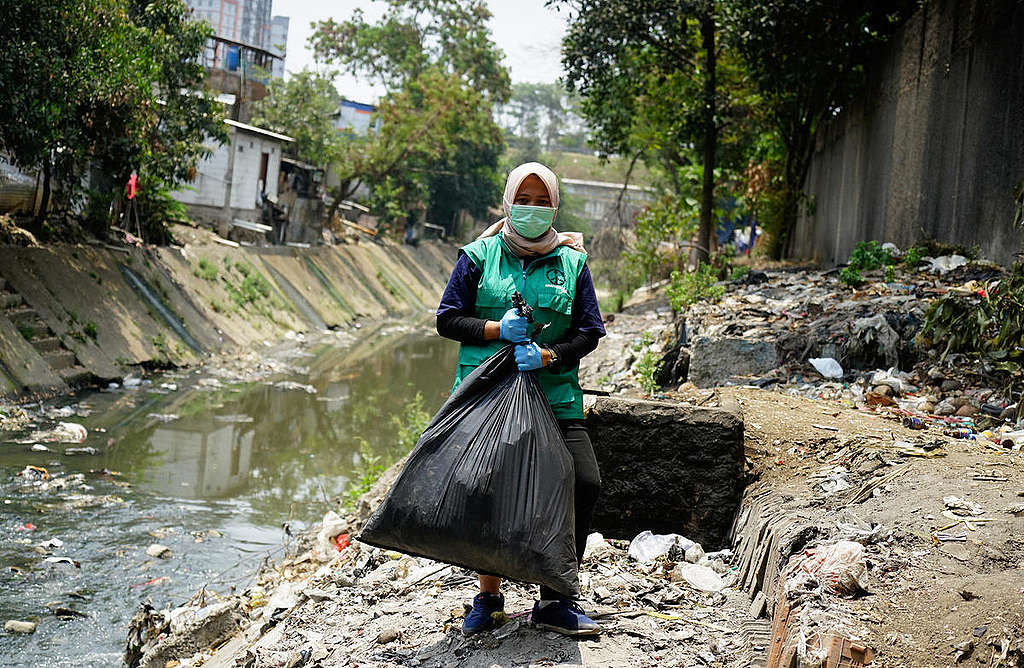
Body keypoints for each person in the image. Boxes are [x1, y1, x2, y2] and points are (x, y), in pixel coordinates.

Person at [435, 162, 606, 637]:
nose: (532, 209)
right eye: (523, 200)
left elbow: (590, 331)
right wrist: (495, 330)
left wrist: (550, 355)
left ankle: (554, 599)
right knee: (487, 487)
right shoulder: (477, 255)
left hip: (554, 397)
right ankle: (488, 597)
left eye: (541, 200)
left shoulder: (573, 263)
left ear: (554, 205)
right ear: (507, 202)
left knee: (582, 482)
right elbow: (447, 319)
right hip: (485, 396)